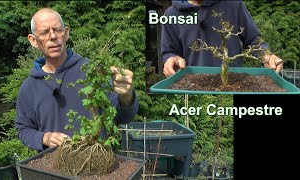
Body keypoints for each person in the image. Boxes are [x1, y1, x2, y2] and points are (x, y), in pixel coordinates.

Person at [15, 8, 139, 151]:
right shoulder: (29, 88)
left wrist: (126, 95)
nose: (53, 36)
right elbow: (23, 129)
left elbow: (123, 117)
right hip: (52, 168)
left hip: (95, 161)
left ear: (66, 33)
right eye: (44, 33)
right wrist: (44, 138)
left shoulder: (92, 71)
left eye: (57, 30)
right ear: (33, 40)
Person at [161, 0, 284, 77]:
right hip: (192, 87)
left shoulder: (234, 5)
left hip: (234, 85)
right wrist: (171, 59)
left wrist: (267, 55)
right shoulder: (171, 14)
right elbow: (169, 52)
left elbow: (253, 40)